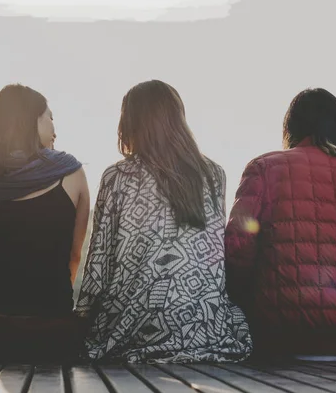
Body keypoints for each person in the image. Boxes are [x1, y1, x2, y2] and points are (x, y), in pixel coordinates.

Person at [75, 80, 252, 363]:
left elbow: (99, 263)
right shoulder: (213, 174)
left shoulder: (117, 177)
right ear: (178, 120)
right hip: (204, 325)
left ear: (130, 122)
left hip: (134, 326)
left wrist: (82, 318)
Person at [225, 87, 336, 359]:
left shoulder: (265, 168)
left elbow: (237, 249)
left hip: (283, 337)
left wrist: (240, 303)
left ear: (292, 128)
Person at [0, 84, 90, 363]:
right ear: (33, 121)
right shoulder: (71, 174)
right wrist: (48, 297)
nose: (55, 130)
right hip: (51, 331)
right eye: (50, 118)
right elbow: (74, 256)